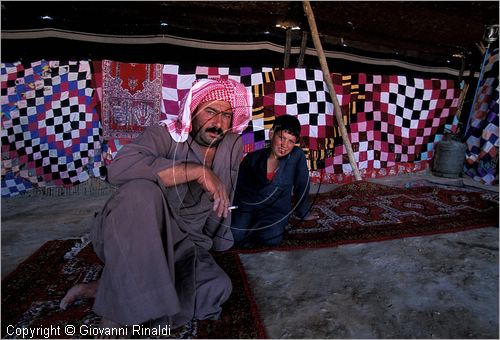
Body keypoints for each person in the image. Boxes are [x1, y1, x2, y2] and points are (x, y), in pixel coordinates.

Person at [59, 78, 252, 330]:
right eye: (210, 112)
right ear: (192, 111)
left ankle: (106, 287)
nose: (218, 123)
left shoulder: (232, 144)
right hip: (134, 231)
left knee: (216, 289)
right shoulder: (164, 134)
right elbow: (120, 169)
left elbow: (226, 193)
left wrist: (218, 240)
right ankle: (119, 306)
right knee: (140, 191)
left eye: (226, 115)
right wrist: (196, 171)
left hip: (185, 240)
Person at [230, 114, 318, 247]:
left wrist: (304, 211)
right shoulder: (252, 158)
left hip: (276, 210)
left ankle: (258, 232)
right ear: (272, 134)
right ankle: (249, 230)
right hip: (249, 206)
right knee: (234, 235)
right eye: (281, 138)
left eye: (291, 141)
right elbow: (238, 187)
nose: (285, 145)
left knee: (271, 238)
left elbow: (302, 184)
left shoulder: (296, 156)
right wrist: (233, 209)